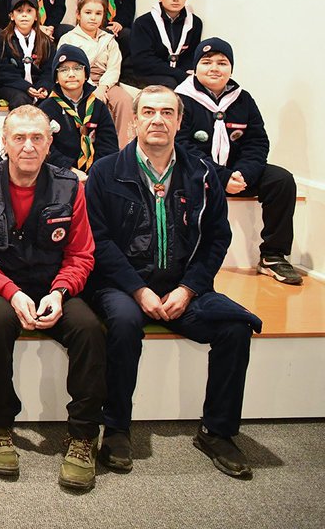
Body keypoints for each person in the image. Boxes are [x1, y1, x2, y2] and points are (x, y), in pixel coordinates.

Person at [86, 85, 261, 478]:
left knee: (235, 327)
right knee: (125, 323)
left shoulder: (201, 173)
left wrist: (189, 288)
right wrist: (138, 289)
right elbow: (99, 240)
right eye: (148, 112)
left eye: (167, 113)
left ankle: (217, 431)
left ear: (180, 121)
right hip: (121, 285)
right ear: (134, 121)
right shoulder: (104, 171)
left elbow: (218, 237)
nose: (157, 120)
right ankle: (115, 428)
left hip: (186, 286)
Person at [0, 106, 103, 491]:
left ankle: (84, 436)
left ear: (49, 142)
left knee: (90, 328)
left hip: (52, 284)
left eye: (37, 138)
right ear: (5, 141)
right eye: (19, 137)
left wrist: (60, 292)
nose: (28, 146)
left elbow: (81, 253)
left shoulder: (71, 186)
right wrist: (11, 292)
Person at [175, 39, 301, 285]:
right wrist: (220, 177)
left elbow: (257, 143)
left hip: (237, 174)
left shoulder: (243, 99)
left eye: (222, 63)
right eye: (207, 62)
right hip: (196, 172)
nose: (215, 68)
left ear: (231, 68)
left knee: (281, 180)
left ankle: (273, 255)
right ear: (194, 67)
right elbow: (181, 146)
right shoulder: (180, 99)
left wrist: (243, 174)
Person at [58, 0, 135, 147]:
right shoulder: (68, 39)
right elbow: (67, 68)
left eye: (98, 13)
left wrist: (103, 87)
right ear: (78, 14)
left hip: (107, 82)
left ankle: (124, 149)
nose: (93, 17)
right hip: (80, 82)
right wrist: (92, 87)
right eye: (88, 12)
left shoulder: (109, 39)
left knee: (123, 100)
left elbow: (114, 67)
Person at [39, 46, 118, 179]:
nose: (71, 74)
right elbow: (46, 149)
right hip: (58, 175)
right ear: (56, 77)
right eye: (64, 69)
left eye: (77, 68)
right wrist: (70, 170)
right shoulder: (46, 109)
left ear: (86, 73)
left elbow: (109, 145)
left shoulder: (98, 106)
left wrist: (95, 173)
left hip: (96, 175)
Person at [127, 0, 202, 88]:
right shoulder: (143, 23)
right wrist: (179, 74)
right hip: (148, 74)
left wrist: (185, 74)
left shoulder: (195, 23)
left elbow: (191, 56)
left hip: (177, 74)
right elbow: (143, 61)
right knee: (170, 84)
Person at [0, 0, 54, 109]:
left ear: (36, 16)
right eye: (19, 11)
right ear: (12, 16)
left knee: (52, 100)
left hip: (38, 86)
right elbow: (3, 72)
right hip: (13, 86)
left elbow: (49, 70)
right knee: (20, 99)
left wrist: (43, 87)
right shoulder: (3, 40)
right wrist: (26, 87)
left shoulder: (45, 41)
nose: (24, 15)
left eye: (29, 11)